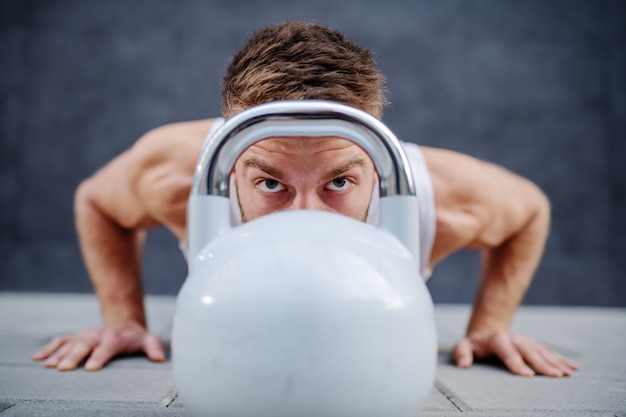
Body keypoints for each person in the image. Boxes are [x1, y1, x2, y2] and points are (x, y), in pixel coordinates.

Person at [33, 21, 578, 377]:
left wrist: (489, 326)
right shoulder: (177, 173)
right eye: (271, 182)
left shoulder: (443, 197)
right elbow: (97, 201)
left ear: (373, 155)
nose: (306, 217)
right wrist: (125, 318)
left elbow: (529, 209)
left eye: (339, 181)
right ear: (233, 164)